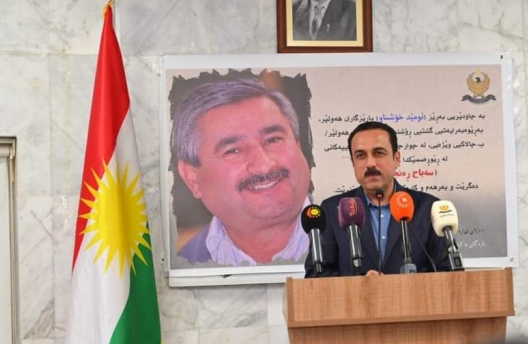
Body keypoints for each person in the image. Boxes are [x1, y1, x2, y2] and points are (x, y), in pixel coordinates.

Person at [172, 79, 312, 266]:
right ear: (192, 178)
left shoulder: (351, 235)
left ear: (298, 145)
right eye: (233, 150)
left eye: (273, 140)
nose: (264, 165)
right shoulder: (183, 268)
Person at [305, 121, 450, 277]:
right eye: (360, 156)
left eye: (379, 153)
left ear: (396, 158)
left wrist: (401, 287)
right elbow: (316, 274)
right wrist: (361, 284)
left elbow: (447, 273)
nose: (370, 163)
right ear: (353, 162)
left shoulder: (428, 208)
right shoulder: (333, 209)